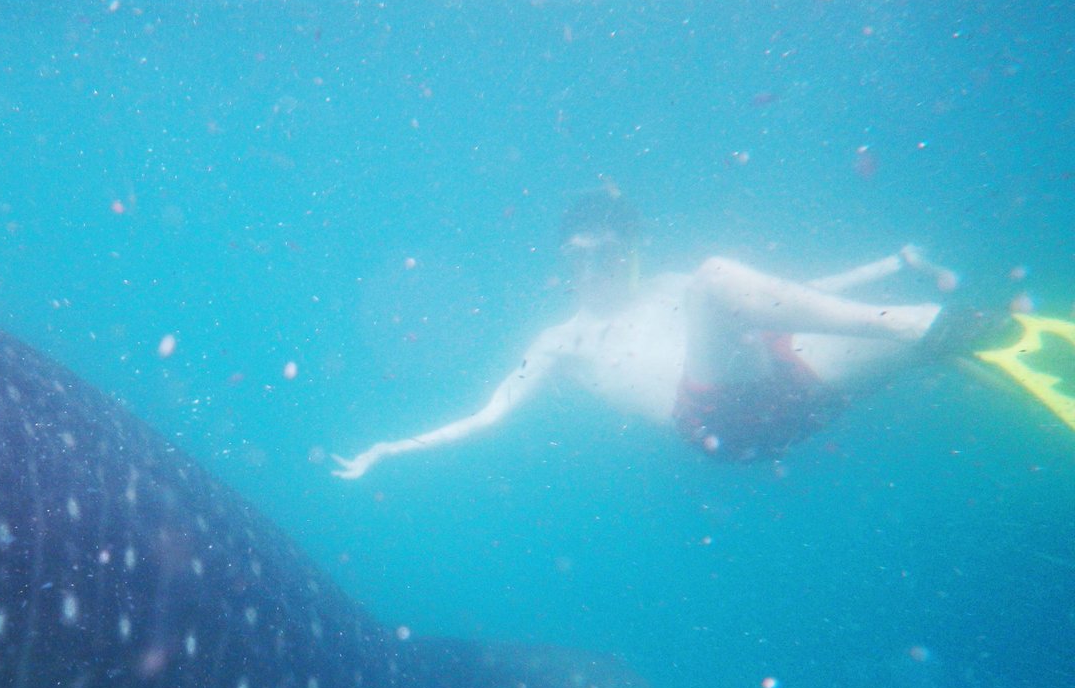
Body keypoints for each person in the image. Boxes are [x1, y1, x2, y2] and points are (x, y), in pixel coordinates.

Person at [332, 190, 990, 475]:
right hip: (721, 420)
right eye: (579, 257)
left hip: (787, 372)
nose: (593, 268)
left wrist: (891, 265)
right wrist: (389, 450)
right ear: (564, 262)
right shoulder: (563, 341)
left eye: (608, 253)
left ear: (632, 252)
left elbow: (804, 295)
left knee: (926, 336)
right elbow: (489, 416)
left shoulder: (670, 285)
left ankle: (962, 341)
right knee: (717, 276)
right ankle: (929, 330)